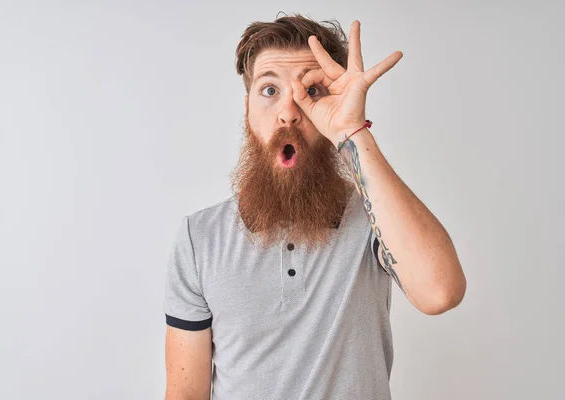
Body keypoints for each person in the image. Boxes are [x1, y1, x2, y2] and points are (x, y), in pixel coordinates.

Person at [163, 13, 466, 400]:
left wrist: (351, 131)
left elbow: (441, 292)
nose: (289, 111)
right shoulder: (199, 239)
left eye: (313, 91)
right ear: (247, 109)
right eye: (269, 91)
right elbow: (187, 394)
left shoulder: (375, 219)